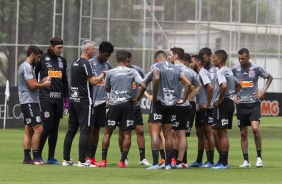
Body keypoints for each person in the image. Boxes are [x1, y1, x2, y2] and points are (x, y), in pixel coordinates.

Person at [143, 50, 192, 170]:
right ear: (165, 57)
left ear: (157, 59)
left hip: (159, 103)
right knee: (169, 135)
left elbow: (156, 77)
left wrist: (154, 96)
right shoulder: (175, 68)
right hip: (171, 104)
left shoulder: (156, 66)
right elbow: (188, 83)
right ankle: (169, 164)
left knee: (155, 133)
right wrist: (184, 99)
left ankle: (155, 164)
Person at [97, 50, 146, 168]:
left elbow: (107, 89)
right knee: (127, 133)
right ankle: (122, 161)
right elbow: (143, 85)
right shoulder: (132, 71)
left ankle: (103, 161)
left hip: (114, 105)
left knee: (107, 132)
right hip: (127, 104)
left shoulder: (110, 72)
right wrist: (137, 98)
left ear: (116, 60)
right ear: (126, 60)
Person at [62, 40, 105, 167]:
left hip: (73, 100)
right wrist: (103, 74)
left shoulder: (74, 62)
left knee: (71, 130)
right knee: (85, 130)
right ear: (87, 50)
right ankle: (82, 161)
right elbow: (93, 81)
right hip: (84, 101)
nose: (95, 50)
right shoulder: (86, 63)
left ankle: (66, 159)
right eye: (93, 49)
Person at [232, 48, 273, 168]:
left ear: (248, 57)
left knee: (255, 129)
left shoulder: (256, 68)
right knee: (243, 132)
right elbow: (228, 82)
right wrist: (233, 95)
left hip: (254, 103)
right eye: (239, 58)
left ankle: (259, 158)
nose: (240, 60)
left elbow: (269, 77)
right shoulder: (234, 69)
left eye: (242, 58)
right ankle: (246, 161)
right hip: (241, 104)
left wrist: (262, 91)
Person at [35, 37, 69, 164]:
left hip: (58, 99)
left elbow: (65, 81)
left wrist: (66, 100)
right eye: (58, 48)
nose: (60, 50)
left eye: (62, 48)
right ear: (52, 47)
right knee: (47, 126)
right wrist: (39, 83)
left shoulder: (62, 61)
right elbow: (34, 74)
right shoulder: (42, 58)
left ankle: (51, 157)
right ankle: (38, 155)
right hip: (46, 98)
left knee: (55, 128)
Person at [169, 48, 202, 168]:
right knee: (182, 134)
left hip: (173, 105)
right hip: (185, 106)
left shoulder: (171, 69)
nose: (169, 56)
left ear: (176, 56)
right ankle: (180, 161)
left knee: (170, 133)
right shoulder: (190, 71)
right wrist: (187, 98)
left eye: (170, 54)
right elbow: (198, 86)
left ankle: (170, 160)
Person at [18, 45, 51, 165]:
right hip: (29, 101)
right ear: (32, 55)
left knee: (29, 130)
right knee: (39, 128)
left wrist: (41, 82)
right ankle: (36, 157)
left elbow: (32, 83)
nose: (38, 60)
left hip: (29, 101)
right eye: (37, 57)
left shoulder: (28, 67)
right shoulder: (26, 67)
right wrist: (45, 85)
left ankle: (27, 158)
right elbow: (31, 86)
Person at [116, 51, 150, 166]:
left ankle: (142, 158)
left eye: (129, 60)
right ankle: (124, 157)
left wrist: (140, 97)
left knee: (140, 130)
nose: (128, 62)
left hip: (135, 106)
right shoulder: (117, 71)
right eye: (126, 60)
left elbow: (144, 83)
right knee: (123, 132)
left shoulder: (136, 70)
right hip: (123, 105)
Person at [210, 50, 242, 169]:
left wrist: (219, 100)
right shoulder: (229, 71)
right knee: (217, 131)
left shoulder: (220, 71)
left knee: (222, 133)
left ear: (220, 60)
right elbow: (239, 85)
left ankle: (224, 163)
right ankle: (221, 161)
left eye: (214, 57)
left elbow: (223, 85)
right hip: (228, 102)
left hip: (223, 103)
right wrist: (231, 95)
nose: (213, 59)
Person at [85, 41, 114, 166]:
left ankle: (92, 157)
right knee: (89, 129)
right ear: (100, 52)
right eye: (105, 55)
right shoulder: (90, 63)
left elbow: (111, 86)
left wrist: (109, 99)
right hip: (90, 101)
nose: (106, 58)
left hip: (102, 102)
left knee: (96, 129)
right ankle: (86, 156)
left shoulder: (109, 67)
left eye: (108, 56)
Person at [189, 55, 215, 168]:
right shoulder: (198, 74)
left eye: (192, 62)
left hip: (206, 108)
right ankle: (199, 160)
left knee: (209, 133)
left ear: (198, 63)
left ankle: (210, 160)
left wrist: (208, 104)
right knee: (200, 133)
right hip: (199, 108)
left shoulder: (203, 73)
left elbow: (210, 87)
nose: (190, 64)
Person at [199, 47, 221, 166]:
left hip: (213, 106)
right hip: (203, 106)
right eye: (201, 58)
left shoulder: (217, 70)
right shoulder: (201, 70)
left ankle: (218, 158)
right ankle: (209, 160)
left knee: (213, 132)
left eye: (205, 58)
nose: (204, 60)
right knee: (204, 132)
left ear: (210, 56)